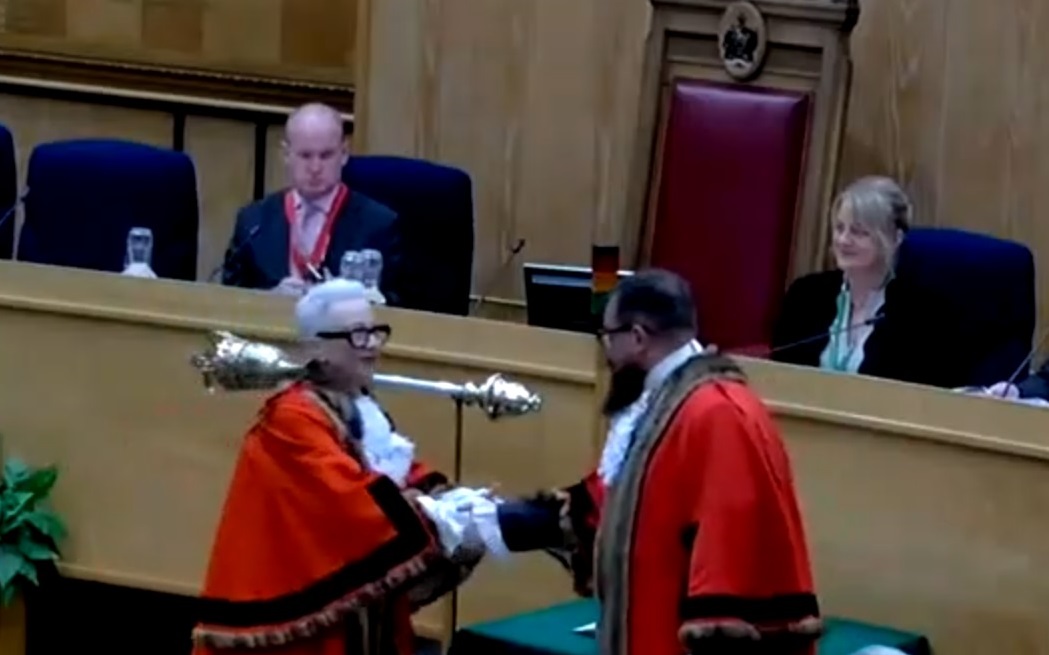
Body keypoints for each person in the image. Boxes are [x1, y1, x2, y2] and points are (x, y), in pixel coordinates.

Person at [479, 269, 821, 655]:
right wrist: (488, 521)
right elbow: (605, 506)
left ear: (638, 338)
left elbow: (729, 557)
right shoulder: (666, 403)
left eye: (608, 337)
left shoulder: (715, 413)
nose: (606, 353)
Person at [191, 279, 490, 655]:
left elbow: (404, 473)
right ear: (316, 348)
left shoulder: (359, 405)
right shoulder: (292, 417)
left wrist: (461, 504)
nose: (372, 346)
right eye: (357, 335)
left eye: (376, 333)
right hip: (304, 626)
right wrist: (437, 515)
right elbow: (354, 504)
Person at [771, 176, 951, 386]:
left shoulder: (922, 314)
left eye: (858, 232)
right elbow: (778, 375)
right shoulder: (805, 295)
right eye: (839, 228)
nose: (843, 240)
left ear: (895, 238)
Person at [220, 103, 403, 303]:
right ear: (286, 155)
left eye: (326, 156)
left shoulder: (379, 225)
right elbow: (229, 301)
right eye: (305, 156)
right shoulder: (253, 222)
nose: (315, 168)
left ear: (344, 154)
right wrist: (270, 300)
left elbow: (397, 304)